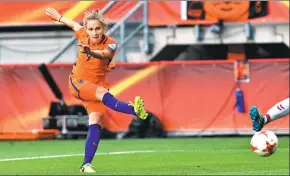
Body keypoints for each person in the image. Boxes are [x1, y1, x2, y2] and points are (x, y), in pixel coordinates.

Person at [45, 8, 148, 173]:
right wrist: (59, 17)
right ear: (86, 29)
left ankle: (86, 164)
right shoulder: (83, 34)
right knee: (102, 93)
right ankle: (133, 110)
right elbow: (73, 24)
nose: (94, 32)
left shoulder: (111, 43)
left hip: (96, 85)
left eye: (98, 28)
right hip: (78, 83)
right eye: (91, 29)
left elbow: (104, 54)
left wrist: (91, 52)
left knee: (96, 119)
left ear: (103, 29)